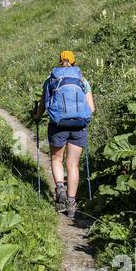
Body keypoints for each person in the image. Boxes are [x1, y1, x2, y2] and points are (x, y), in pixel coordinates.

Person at [33, 50, 95, 214]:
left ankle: (60, 188)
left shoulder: (51, 79)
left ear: (59, 61)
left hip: (58, 125)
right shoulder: (82, 79)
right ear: (74, 62)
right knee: (73, 164)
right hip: (79, 126)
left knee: (57, 158)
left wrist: (37, 116)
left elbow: (44, 104)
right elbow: (92, 108)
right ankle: (72, 203)